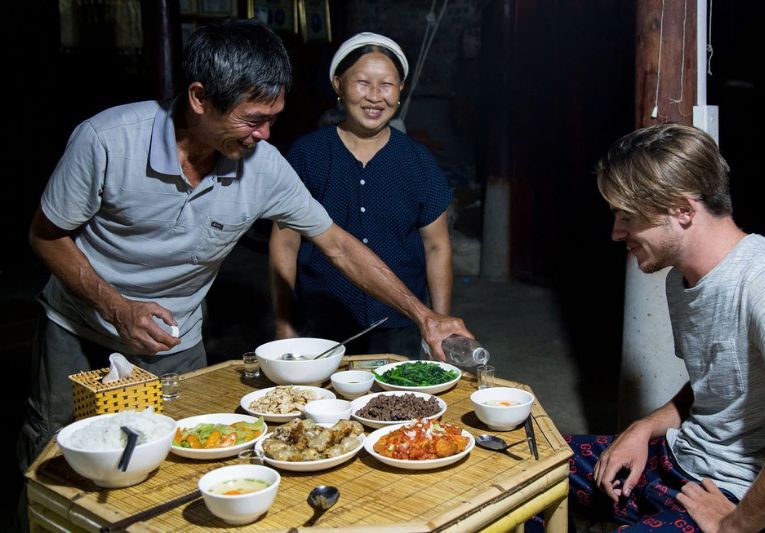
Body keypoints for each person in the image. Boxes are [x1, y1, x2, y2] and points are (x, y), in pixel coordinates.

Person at [18, 20, 469, 474]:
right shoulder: (107, 140)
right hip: (78, 325)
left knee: (177, 454)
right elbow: (45, 235)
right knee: (57, 452)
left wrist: (425, 315)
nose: (266, 135)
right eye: (254, 119)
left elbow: (339, 246)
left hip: (173, 337)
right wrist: (117, 307)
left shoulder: (263, 165)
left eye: (274, 119)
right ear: (200, 99)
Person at [564, 123, 765, 532]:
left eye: (628, 217)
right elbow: (715, 385)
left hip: (740, 501)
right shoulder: (681, 278)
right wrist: (642, 429)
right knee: (521, 464)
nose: (617, 232)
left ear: (683, 210)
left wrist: (736, 526)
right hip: (681, 459)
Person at [269, 33, 453, 358]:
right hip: (323, 323)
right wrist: (284, 323)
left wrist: (437, 323)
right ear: (339, 85)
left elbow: (437, 246)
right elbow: (285, 242)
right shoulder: (308, 154)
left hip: (400, 325)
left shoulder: (418, 162)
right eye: (363, 83)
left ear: (400, 91)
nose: (374, 97)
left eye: (386, 85)